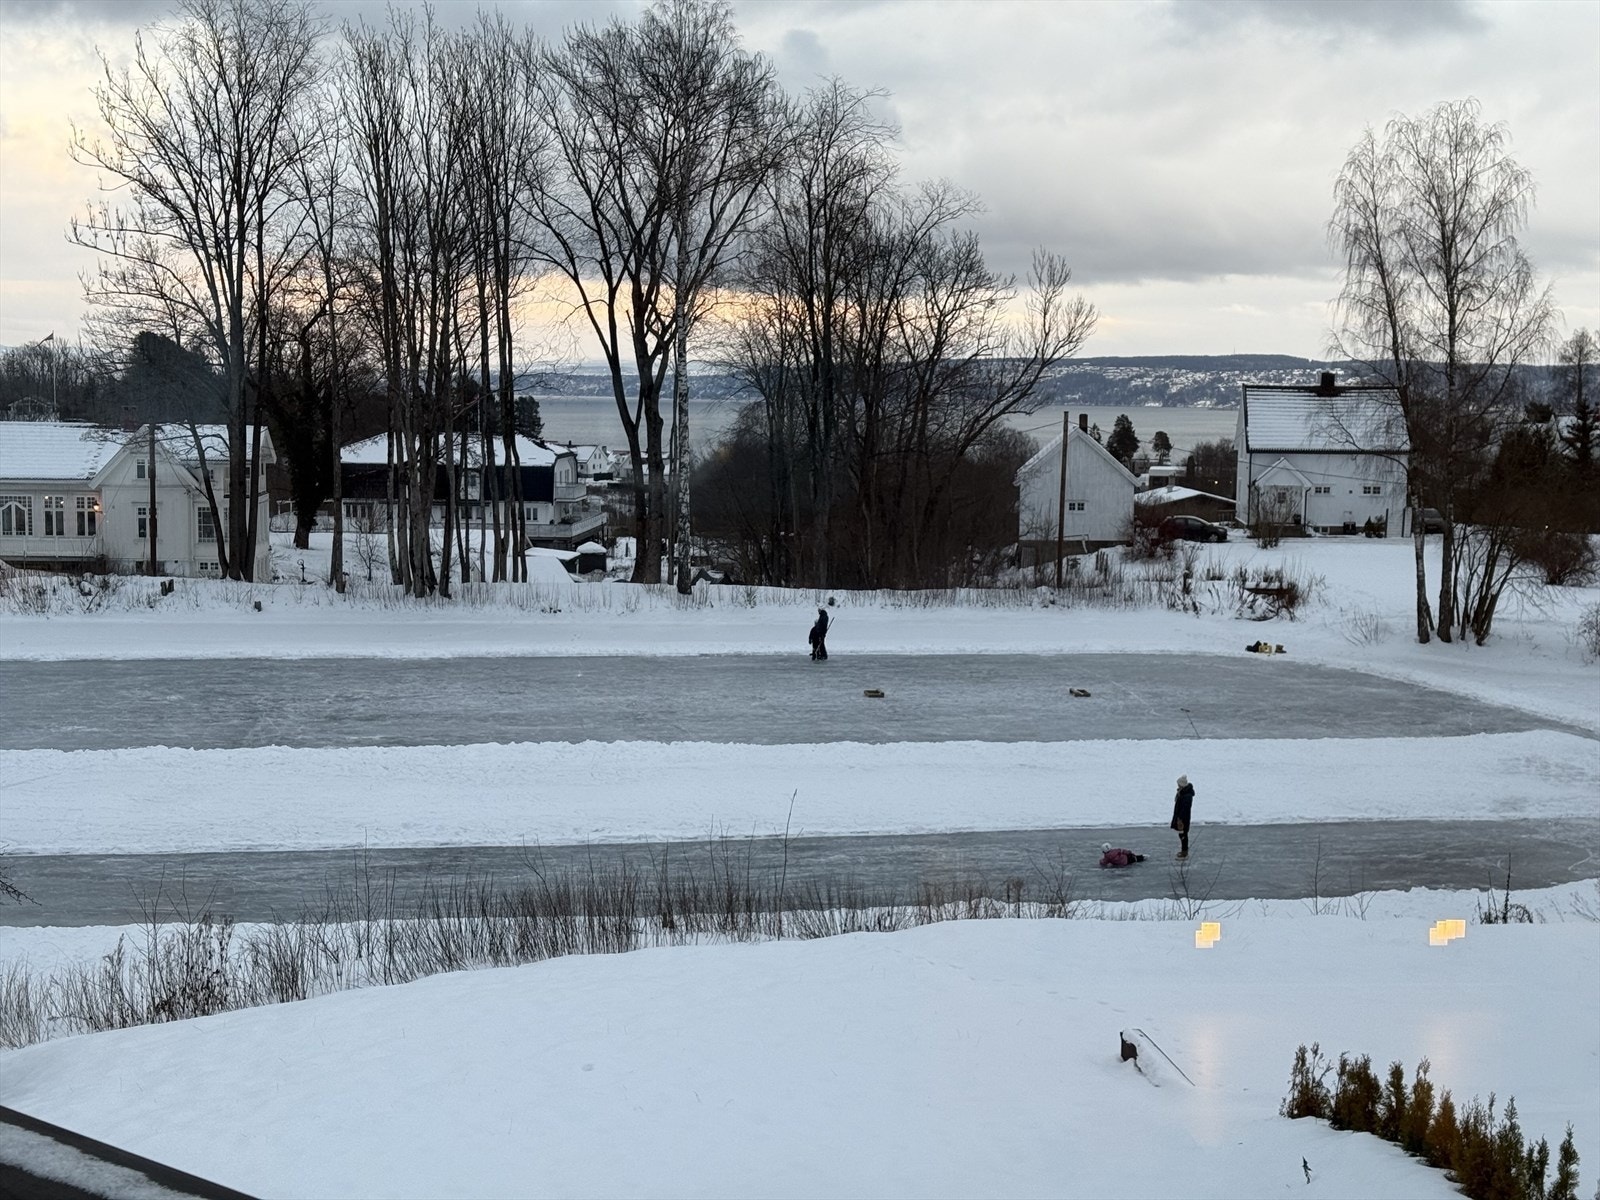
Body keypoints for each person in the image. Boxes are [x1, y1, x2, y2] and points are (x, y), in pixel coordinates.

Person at [1171, 774, 1195, 859]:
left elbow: (1185, 809)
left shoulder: (1187, 796)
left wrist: (1180, 819)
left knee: (1183, 835)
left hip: (1183, 819)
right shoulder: (1182, 792)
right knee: (1182, 834)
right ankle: (1184, 850)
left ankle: (1184, 852)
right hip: (1180, 817)